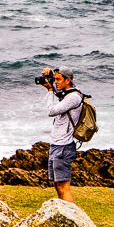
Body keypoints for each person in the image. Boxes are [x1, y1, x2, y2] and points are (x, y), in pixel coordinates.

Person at [39, 65, 82, 203]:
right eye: (55, 79)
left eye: (58, 79)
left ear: (68, 80)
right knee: (57, 185)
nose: (55, 82)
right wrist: (50, 80)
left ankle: (73, 217)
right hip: (56, 144)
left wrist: (50, 90)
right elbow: (58, 97)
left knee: (64, 187)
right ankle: (63, 213)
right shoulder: (67, 95)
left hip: (64, 146)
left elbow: (51, 111)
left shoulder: (73, 97)